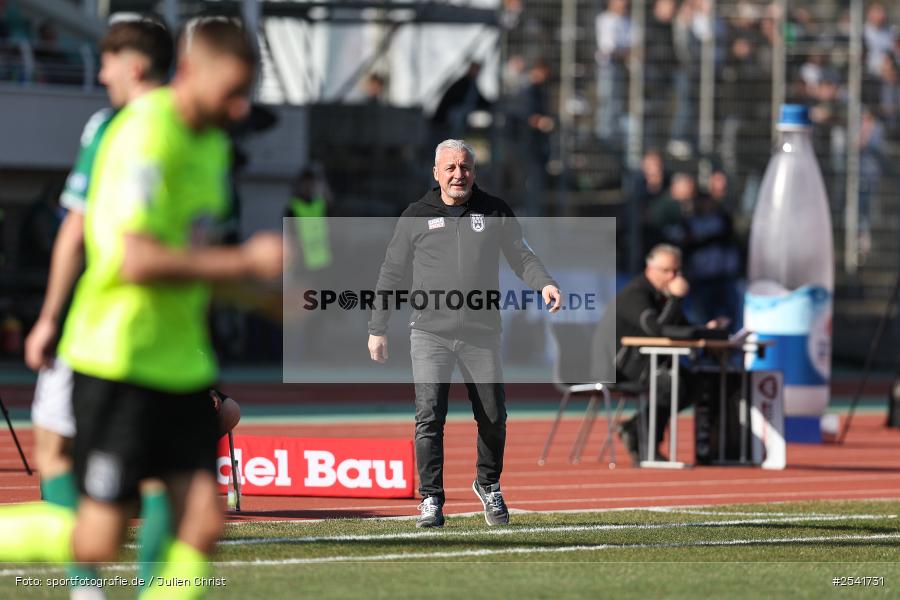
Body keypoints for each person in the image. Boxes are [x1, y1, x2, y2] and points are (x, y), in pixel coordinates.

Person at [0, 18, 282, 598]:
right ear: (188, 73)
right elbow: (137, 260)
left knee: (202, 522)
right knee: (96, 538)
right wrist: (246, 266)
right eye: (229, 92)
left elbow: (195, 262)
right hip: (118, 359)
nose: (237, 109)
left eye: (244, 95)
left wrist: (268, 300)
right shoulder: (143, 133)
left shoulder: (211, 145)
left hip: (181, 362)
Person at [23, 17, 175, 599]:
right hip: (171, 323)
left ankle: (85, 586)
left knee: (55, 447)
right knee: (164, 469)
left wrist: (48, 316)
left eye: (108, 61)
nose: (102, 72)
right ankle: (157, 589)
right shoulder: (197, 128)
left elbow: (75, 227)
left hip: (99, 316)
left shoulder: (110, 126)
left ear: (133, 65)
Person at [367, 139, 561, 528]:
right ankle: (431, 499)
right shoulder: (414, 215)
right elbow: (391, 272)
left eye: (466, 167)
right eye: (451, 168)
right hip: (429, 333)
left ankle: (488, 485)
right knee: (429, 417)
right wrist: (378, 327)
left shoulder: (494, 211)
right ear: (436, 173)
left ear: (474, 171)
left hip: (481, 333)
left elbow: (522, 256)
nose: (459, 174)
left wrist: (544, 283)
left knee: (492, 415)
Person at [593, 244, 719, 463]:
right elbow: (657, 330)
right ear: (650, 268)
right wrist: (677, 299)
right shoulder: (636, 293)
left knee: (698, 383)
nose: (673, 277)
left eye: (677, 272)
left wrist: (708, 331)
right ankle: (645, 443)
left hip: (647, 364)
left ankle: (636, 428)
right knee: (673, 383)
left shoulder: (662, 295)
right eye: (667, 271)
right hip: (620, 368)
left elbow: (681, 328)